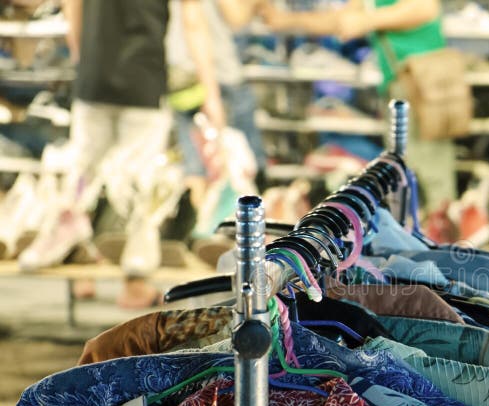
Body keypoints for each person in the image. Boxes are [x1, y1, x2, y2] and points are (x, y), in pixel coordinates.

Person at [18, 0, 228, 308]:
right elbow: (193, 19)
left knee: (84, 170)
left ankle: (77, 246)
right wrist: (211, 92)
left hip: (100, 72)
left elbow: (72, 5)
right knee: (138, 178)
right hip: (142, 75)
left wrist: (82, 54)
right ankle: (134, 268)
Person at [261, 0, 456, 213]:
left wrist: (368, 20)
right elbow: (343, 19)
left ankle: (436, 225)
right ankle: (426, 222)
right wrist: (286, 20)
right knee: (409, 167)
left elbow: (425, 7)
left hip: (422, 80)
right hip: (405, 80)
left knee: (427, 170)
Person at [167, 0, 268, 216]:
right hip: (218, 77)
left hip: (181, 77)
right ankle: (230, 232)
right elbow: (237, 17)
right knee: (240, 169)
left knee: (196, 169)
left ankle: (203, 230)